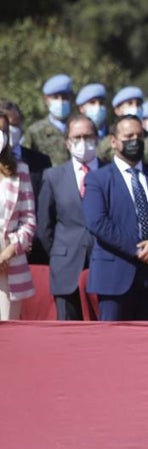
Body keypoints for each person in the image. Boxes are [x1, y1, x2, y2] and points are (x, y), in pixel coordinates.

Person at [82, 115, 148, 321]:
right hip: (116, 277)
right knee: (115, 346)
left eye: (139, 136)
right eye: (128, 136)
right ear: (114, 141)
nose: (135, 141)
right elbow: (98, 222)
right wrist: (140, 250)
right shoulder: (98, 179)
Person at [36, 114, 99, 320]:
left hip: (104, 265)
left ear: (97, 139)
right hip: (66, 267)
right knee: (69, 333)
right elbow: (45, 225)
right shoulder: (53, 176)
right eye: (77, 137)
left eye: (88, 136)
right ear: (67, 143)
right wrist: (59, 252)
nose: (83, 142)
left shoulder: (110, 173)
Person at [0, 112, 37, 320]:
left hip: (9, 266)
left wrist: (7, 253)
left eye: (3, 131)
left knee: (5, 334)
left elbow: (29, 221)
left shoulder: (20, 170)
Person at [24, 74, 73, 166]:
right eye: (56, 97)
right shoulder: (35, 131)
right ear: (46, 100)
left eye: (64, 97)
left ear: (71, 98)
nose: (61, 102)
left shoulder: (79, 127)